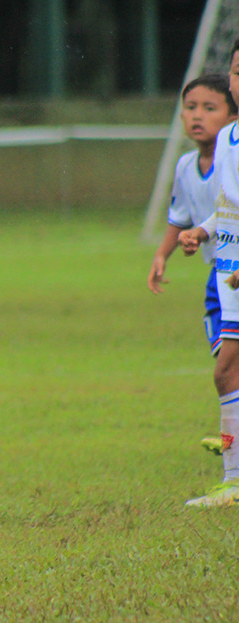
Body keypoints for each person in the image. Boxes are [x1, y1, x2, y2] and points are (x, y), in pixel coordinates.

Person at [148, 74, 237, 459]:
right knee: (226, 361)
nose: (197, 116)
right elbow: (179, 215)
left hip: (232, 271)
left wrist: (202, 232)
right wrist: (161, 254)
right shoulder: (186, 165)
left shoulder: (231, 156)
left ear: (232, 115)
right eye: (190, 107)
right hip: (217, 275)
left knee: (227, 369)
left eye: (209, 107)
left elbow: (225, 209)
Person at [179, 40, 239, 508]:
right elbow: (230, 208)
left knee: (226, 372)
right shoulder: (229, 140)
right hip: (228, 273)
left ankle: (234, 481)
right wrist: (201, 231)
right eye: (237, 71)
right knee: (228, 371)